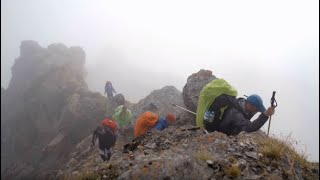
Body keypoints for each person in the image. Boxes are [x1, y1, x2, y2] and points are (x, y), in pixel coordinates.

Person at [204, 94, 275, 136]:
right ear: (250, 105)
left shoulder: (241, 106)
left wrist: (266, 112)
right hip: (218, 134)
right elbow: (249, 127)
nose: (256, 111)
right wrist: (265, 115)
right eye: (256, 109)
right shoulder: (235, 113)